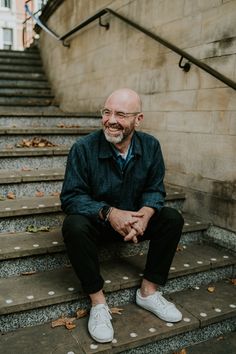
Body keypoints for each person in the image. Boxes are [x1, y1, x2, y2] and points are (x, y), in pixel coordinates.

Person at [60, 88, 184, 343]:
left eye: (120, 114)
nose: (111, 120)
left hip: (135, 224)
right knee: (73, 225)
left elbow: (154, 188)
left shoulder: (150, 146)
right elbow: (71, 197)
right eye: (107, 112)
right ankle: (97, 304)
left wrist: (146, 214)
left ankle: (148, 293)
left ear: (138, 119)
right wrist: (109, 212)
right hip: (99, 224)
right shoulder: (83, 149)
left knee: (172, 218)